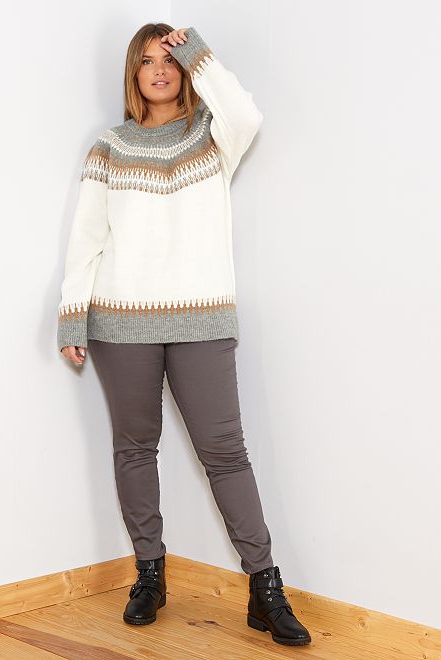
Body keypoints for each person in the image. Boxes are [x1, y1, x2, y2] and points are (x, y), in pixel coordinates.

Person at [57, 23, 311, 647]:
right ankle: (150, 574)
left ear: (185, 68)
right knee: (134, 448)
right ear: (133, 73)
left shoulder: (212, 136)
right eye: (147, 60)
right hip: (122, 322)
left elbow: (247, 114)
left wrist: (195, 49)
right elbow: (87, 238)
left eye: (169, 60)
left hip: (201, 319)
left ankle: (264, 585)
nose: (159, 69)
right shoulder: (109, 148)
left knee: (225, 452)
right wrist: (72, 313)